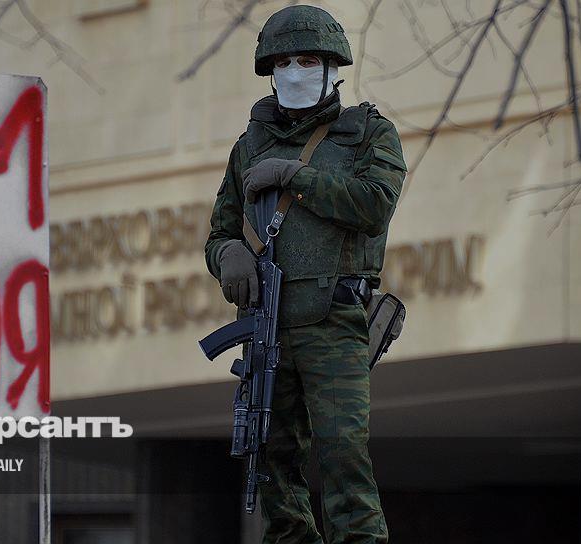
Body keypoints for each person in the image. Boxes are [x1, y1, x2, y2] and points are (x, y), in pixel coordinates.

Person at [204, 5, 407, 543]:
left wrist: (297, 177)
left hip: (334, 321)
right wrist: (229, 256)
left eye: (308, 60)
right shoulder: (249, 147)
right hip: (267, 328)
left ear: (333, 67)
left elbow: (373, 205)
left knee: (342, 454)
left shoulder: (368, 134)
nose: (294, 71)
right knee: (272, 459)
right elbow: (220, 232)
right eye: (283, 62)